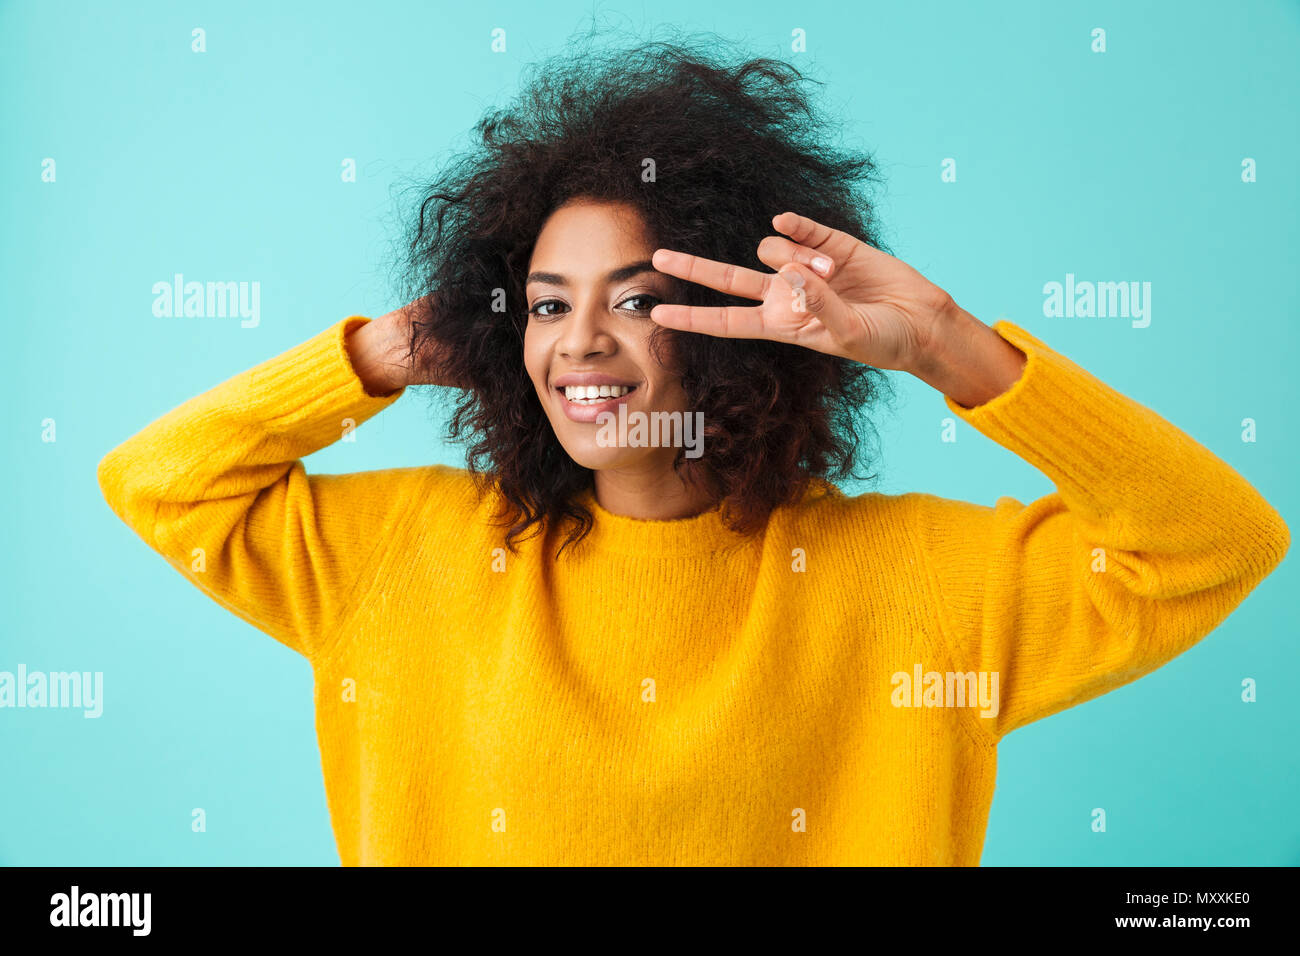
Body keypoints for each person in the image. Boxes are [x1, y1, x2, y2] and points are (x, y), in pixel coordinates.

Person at [97, 38, 1289, 865]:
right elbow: (157, 480)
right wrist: (392, 345)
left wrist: (942, 343)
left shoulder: (919, 584)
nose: (583, 344)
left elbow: (1213, 543)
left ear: (744, 321)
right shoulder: (403, 554)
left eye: (636, 298)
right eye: (549, 305)